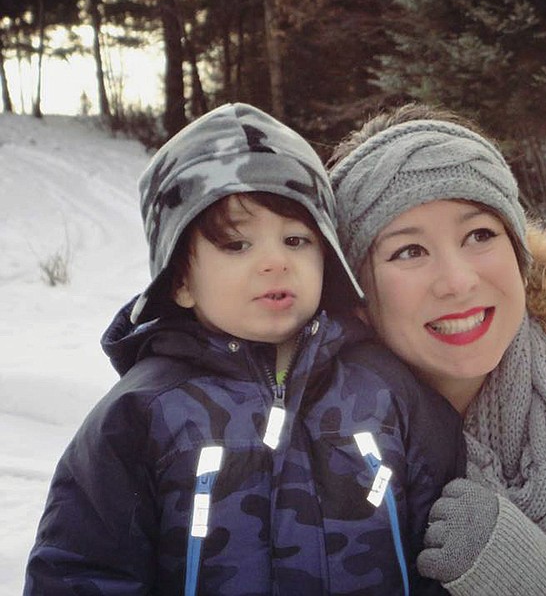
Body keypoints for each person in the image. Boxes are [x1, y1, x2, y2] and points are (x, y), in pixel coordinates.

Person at [24, 102, 464, 595]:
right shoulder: (142, 414)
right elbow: (81, 572)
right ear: (181, 282)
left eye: (297, 240)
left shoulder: (388, 391)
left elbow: (445, 553)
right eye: (237, 245)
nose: (275, 262)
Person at [328, 103, 546, 596]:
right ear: (358, 296)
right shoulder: (305, 432)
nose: (458, 282)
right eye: (409, 251)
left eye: (480, 234)